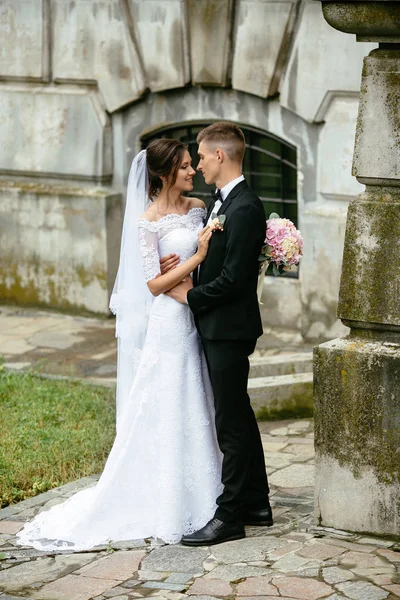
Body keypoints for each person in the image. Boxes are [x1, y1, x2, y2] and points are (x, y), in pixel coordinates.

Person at [16, 139, 223, 550]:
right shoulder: (147, 222)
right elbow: (153, 286)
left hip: (195, 316)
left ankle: (207, 492)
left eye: (191, 164)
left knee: (197, 400)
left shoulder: (200, 207)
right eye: (184, 166)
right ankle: (166, 499)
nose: (191, 171)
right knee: (167, 404)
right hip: (169, 324)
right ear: (165, 174)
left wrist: (191, 267)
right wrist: (194, 258)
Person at [165, 122, 272, 546]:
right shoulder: (222, 201)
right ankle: (257, 502)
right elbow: (217, 262)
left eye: (202, 156)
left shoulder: (246, 207)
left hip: (228, 329)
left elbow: (233, 281)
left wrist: (189, 297)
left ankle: (229, 517)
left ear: (220, 156)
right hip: (219, 326)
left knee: (228, 422)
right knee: (238, 414)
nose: (200, 164)